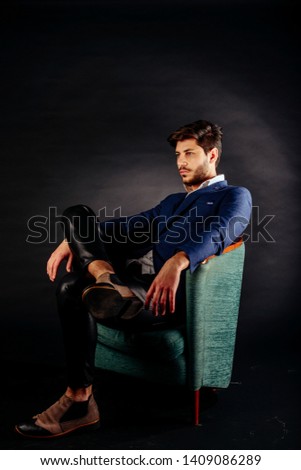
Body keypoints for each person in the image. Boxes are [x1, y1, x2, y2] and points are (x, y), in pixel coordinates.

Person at [15, 119, 252, 438]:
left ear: (212, 156)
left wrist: (178, 260)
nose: (181, 161)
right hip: (131, 292)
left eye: (190, 153)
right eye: (178, 154)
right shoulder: (172, 203)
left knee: (73, 284)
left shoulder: (234, 196)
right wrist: (74, 236)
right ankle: (80, 398)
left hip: (165, 300)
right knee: (77, 216)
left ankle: (79, 402)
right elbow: (127, 227)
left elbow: (222, 231)